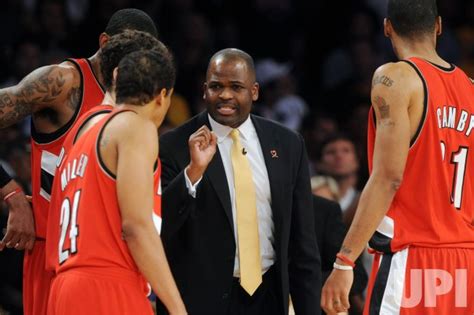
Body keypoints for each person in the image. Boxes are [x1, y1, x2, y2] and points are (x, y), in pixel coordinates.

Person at [0, 8, 159, 315]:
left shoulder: (137, 100)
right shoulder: (62, 82)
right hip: (54, 253)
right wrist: (12, 195)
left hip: (112, 260)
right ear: (104, 41)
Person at [322, 0, 474, 314]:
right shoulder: (470, 88)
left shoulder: (395, 78)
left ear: (387, 27)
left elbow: (388, 177)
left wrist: (345, 261)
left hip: (414, 258)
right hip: (465, 260)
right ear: (439, 27)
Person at [157, 48, 321, 315]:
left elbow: (303, 243)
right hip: (199, 303)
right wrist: (193, 172)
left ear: (254, 91)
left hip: (268, 298)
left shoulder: (288, 144)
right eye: (216, 86)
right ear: (204, 90)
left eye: (236, 86)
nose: (225, 95)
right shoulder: (174, 144)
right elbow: (162, 225)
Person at [47, 49, 186, 315]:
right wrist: (178, 308)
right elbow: (135, 227)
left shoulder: (84, 135)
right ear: (163, 96)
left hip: (63, 288)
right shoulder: (136, 126)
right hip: (107, 284)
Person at [45, 29, 166, 271]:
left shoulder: (79, 131)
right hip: (108, 276)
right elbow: (136, 228)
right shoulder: (131, 127)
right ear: (119, 74)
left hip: (65, 277)